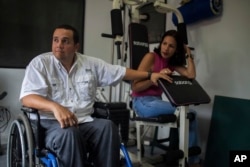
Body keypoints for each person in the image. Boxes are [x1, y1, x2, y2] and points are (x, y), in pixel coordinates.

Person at [19, 24, 170, 167]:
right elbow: (27, 97)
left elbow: (121, 72)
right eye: (56, 40)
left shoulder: (90, 64)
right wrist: (55, 107)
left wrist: (150, 75)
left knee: (108, 127)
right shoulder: (40, 64)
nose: (59, 45)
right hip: (50, 124)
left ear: (76, 46)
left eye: (65, 41)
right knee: (69, 134)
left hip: (84, 121)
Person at [131, 30, 201, 167]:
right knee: (187, 113)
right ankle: (192, 163)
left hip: (155, 101)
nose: (166, 48)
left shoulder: (171, 63)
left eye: (171, 46)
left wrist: (188, 55)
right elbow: (135, 86)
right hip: (142, 103)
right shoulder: (151, 57)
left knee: (189, 114)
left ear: (176, 49)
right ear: (160, 43)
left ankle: (188, 160)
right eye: (164, 44)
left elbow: (191, 75)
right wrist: (154, 77)